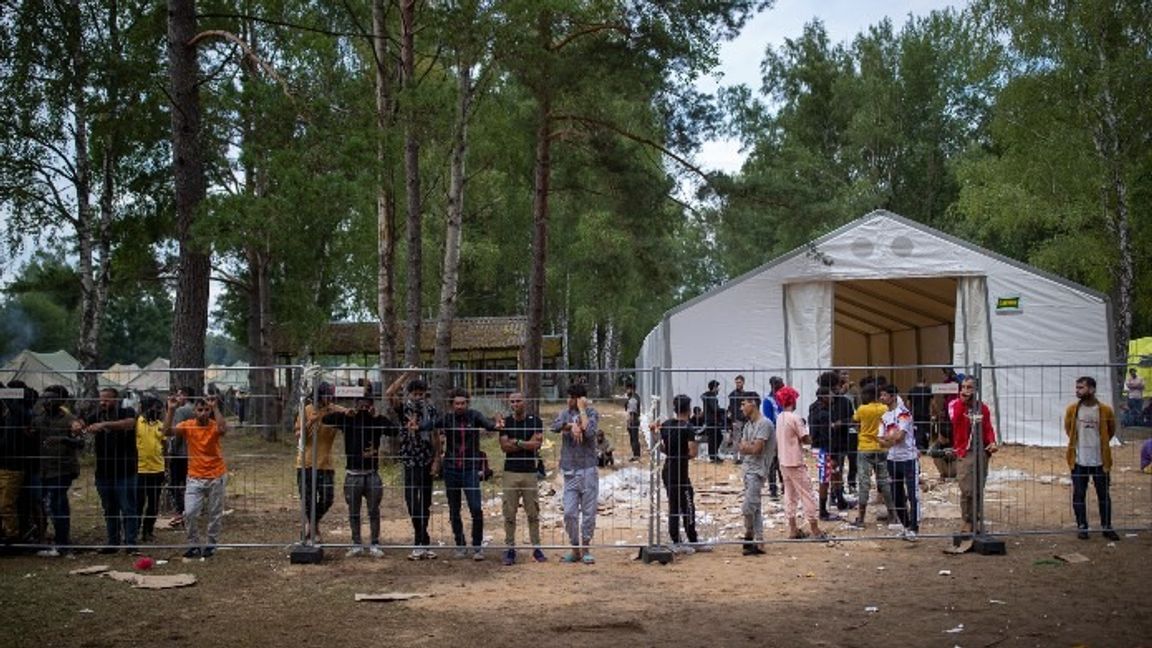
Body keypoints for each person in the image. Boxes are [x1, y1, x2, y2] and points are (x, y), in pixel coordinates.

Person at [322, 389, 394, 557]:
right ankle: (356, 543)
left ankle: (375, 543)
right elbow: (326, 419)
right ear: (355, 404)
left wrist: (378, 417)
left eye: (367, 404)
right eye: (360, 404)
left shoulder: (376, 421)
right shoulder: (348, 419)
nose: (363, 408)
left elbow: (393, 430)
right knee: (353, 511)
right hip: (352, 474)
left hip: (372, 474)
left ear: (372, 406)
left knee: (373, 510)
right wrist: (344, 411)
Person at [437, 387, 501, 560]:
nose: (460, 406)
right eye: (457, 403)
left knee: (475, 508)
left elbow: (489, 425)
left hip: (470, 469)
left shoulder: (474, 415)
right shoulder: (447, 418)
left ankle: (477, 546)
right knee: (454, 509)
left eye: (463, 403)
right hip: (451, 469)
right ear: (452, 404)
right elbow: (431, 425)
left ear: (467, 403)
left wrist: (497, 425)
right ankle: (460, 544)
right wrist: (418, 426)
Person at [164, 394, 228, 558]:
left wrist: (215, 407)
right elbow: (167, 431)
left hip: (216, 475)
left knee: (215, 514)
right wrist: (171, 409)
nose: (203, 413)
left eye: (206, 410)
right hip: (195, 476)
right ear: (194, 411)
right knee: (190, 513)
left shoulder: (214, 425)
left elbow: (223, 429)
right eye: (200, 410)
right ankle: (193, 544)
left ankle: (211, 545)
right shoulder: (188, 426)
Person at [385, 373, 441, 560]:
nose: (418, 397)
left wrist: (436, 459)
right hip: (409, 460)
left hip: (426, 459)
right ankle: (420, 540)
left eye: (421, 394)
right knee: (412, 501)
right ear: (409, 394)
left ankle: (422, 543)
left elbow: (435, 435)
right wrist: (405, 375)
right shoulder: (404, 409)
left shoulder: (431, 410)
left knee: (425, 502)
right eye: (415, 394)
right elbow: (389, 393)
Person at [84, 387, 139, 553]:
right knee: (109, 508)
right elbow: (83, 423)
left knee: (128, 508)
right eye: (101, 399)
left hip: (125, 471)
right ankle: (112, 542)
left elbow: (130, 423)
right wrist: (79, 424)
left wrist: (104, 424)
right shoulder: (97, 414)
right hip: (104, 471)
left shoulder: (126, 411)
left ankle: (131, 543)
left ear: (116, 400)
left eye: (107, 400)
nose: (103, 403)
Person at [1063, 376, 1118, 541]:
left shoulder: (1105, 410)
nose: (1077, 391)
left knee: (1104, 495)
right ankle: (1082, 526)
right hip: (1079, 460)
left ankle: (1107, 527)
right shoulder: (1072, 409)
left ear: (1092, 389)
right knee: (1079, 495)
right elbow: (1069, 429)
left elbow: (1111, 430)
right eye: (1077, 387)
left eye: (1081, 388)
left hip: (1100, 461)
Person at [551, 383, 600, 564]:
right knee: (570, 512)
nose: (569, 400)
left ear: (580, 399)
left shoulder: (592, 413)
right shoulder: (564, 414)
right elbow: (554, 426)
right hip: (570, 470)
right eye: (569, 397)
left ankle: (586, 548)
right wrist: (571, 425)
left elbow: (591, 431)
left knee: (588, 512)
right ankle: (575, 547)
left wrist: (582, 411)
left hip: (588, 469)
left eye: (572, 397)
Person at [32, 386, 84, 556]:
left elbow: (80, 443)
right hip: (43, 469)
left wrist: (63, 439)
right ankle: (48, 539)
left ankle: (62, 542)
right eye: (44, 398)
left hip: (62, 469)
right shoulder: (38, 418)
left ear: (61, 401)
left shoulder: (69, 419)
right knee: (46, 505)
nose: (47, 401)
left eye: (51, 398)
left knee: (58, 504)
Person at [651, 394, 705, 553]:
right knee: (688, 504)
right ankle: (692, 539)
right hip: (680, 471)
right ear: (688, 409)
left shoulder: (666, 425)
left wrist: (671, 451)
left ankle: (676, 539)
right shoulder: (688, 428)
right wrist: (684, 454)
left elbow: (660, 447)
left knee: (673, 505)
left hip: (668, 468)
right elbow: (693, 452)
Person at [498, 392, 547, 565]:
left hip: (529, 472)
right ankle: (510, 548)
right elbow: (504, 447)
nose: (515, 404)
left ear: (525, 402)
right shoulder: (506, 422)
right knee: (509, 512)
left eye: (518, 401)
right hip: (510, 472)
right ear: (509, 403)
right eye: (512, 401)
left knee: (533, 511)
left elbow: (536, 445)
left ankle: (536, 547)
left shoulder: (535, 421)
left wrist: (516, 442)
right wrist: (525, 443)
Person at [774, 386, 826, 541]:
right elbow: (805, 439)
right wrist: (814, 434)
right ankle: (815, 529)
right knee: (807, 494)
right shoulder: (795, 418)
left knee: (790, 495)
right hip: (795, 461)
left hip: (783, 461)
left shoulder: (780, 417)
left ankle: (792, 528)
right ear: (792, 400)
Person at [949, 376, 998, 535]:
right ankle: (967, 520)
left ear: (976, 390)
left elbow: (988, 428)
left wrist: (992, 442)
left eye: (969, 387)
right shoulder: (955, 405)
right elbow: (955, 421)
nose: (965, 390)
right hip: (965, 451)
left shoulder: (982, 408)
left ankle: (977, 519)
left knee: (978, 487)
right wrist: (962, 402)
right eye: (963, 387)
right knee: (966, 488)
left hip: (980, 451)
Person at [295, 382, 339, 543]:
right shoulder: (306, 410)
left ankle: (311, 525)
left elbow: (348, 414)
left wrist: (351, 412)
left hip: (325, 463)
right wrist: (311, 422)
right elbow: (299, 436)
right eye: (326, 395)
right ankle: (314, 530)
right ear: (318, 396)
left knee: (328, 497)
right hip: (305, 463)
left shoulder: (333, 410)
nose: (329, 398)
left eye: (331, 395)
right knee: (308, 499)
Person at [877, 384, 919, 541]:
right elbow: (880, 440)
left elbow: (899, 437)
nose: (882, 398)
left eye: (884, 395)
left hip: (908, 458)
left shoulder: (904, 414)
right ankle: (906, 525)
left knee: (912, 494)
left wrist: (889, 439)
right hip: (892, 459)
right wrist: (891, 438)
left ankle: (914, 527)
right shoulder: (885, 416)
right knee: (896, 494)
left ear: (893, 396)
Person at [848, 384, 894, 529]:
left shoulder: (862, 409)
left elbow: (855, 421)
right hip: (881, 448)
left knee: (864, 483)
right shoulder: (885, 409)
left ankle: (861, 518)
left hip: (865, 448)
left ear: (868, 395)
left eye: (863, 394)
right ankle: (893, 516)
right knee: (884, 482)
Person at [737, 392, 773, 555]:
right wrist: (748, 447)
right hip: (748, 469)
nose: (741, 407)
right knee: (755, 506)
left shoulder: (764, 424)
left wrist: (748, 447)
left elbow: (757, 449)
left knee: (748, 507)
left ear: (753, 404)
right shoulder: (748, 425)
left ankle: (749, 534)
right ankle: (759, 541)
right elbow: (742, 447)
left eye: (744, 404)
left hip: (758, 471)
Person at [135, 396, 167, 543]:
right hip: (139, 470)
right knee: (138, 503)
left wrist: (166, 466)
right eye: (156, 408)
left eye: (160, 409)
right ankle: (133, 531)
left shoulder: (160, 425)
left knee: (153, 503)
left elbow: (165, 446)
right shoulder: (136, 423)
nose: (158, 411)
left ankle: (148, 531)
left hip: (157, 470)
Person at [165, 386, 195, 528]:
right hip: (194, 453)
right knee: (190, 483)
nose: (177, 398)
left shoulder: (181, 411)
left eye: (179, 395)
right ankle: (190, 510)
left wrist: (171, 450)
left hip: (180, 453)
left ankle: (181, 512)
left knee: (176, 484)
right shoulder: (196, 409)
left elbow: (175, 433)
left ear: (185, 395)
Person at [762, 376, 785, 499]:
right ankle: (773, 488)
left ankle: (784, 486)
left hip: (783, 433)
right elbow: (769, 418)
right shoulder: (768, 400)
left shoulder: (781, 399)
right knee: (772, 462)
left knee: (782, 461)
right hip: (773, 433)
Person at [726, 375, 751, 463]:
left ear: (743, 383)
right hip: (737, 419)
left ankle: (743, 458)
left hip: (745, 419)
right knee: (736, 439)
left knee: (744, 439)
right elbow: (731, 408)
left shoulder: (745, 394)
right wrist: (733, 421)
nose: (738, 384)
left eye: (739, 382)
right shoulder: (733, 395)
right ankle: (735, 458)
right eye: (736, 382)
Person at [907, 375, 933, 450]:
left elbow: (908, 403)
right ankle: (925, 446)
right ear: (925, 382)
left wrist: (910, 411)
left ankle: (917, 445)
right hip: (925, 413)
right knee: (925, 430)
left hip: (915, 413)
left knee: (916, 429)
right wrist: (934, 412)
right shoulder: (928, 390)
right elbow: (933, 403)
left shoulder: (912, 390)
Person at [700, 380, 723, 463]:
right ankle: (713, 456)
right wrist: (723, 410)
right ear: (714, 388)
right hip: (712, 421)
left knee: (716, 437)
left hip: (711, 420)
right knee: (715, 438)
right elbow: (715, 408)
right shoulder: (711, 397)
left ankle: (714, 455)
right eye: (717, 387)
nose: (718, 390)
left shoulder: (708, 396)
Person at [624, 383, 641, 462]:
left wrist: (630, 422)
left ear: (631, 389)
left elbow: (632, 412)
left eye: (627, 389)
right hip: (634, 420)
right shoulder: (634, 397)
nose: (626, 391)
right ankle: (636, 454)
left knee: (634, 439)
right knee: (634, 438)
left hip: (633, 421)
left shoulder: (632, 399)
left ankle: (636, 455)